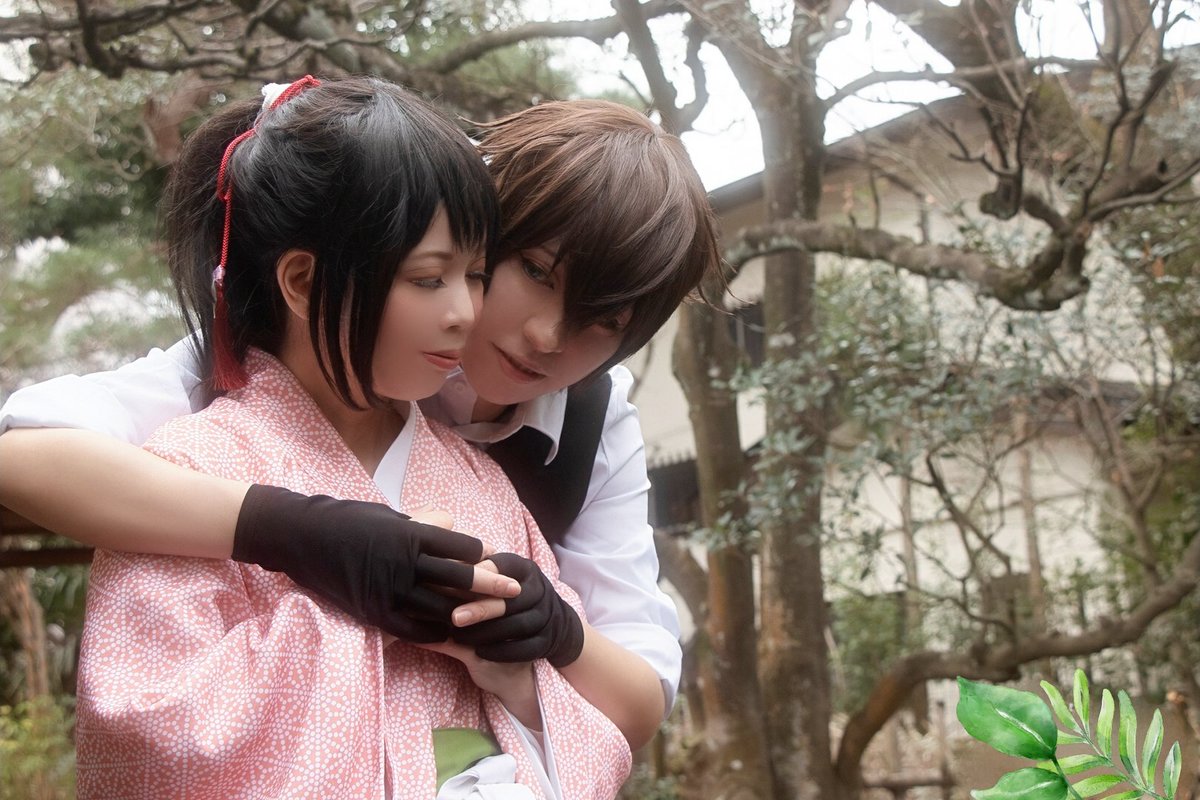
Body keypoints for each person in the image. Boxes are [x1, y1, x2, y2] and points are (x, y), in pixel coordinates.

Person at [0, 92, 720, 748]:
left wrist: (558, 634)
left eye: (604, 320)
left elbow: (639, 695)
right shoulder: (324, 339)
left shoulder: (594, 425)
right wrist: (299, 531)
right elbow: (28, 455)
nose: (548, 336)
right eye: (535, 271)